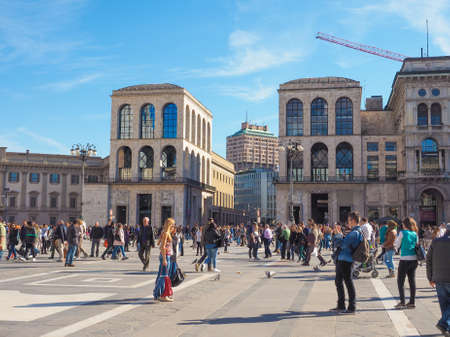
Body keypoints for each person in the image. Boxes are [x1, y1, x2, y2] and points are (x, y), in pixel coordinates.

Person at [331, 211, 363, 314]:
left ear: (353, 220)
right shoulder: (353, 232)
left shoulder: (355, 233)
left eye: (349, 220)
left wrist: (338, 235)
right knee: (338, 281)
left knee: (348, 283)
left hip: (347, 260)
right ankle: (341, 305)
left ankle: (352, 307)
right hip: (342, 259)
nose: (348, 222)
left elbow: (342, 245)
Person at [426, 223, 450, 336]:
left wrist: (430, 277)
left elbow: (428, 259)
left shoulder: (436, 241)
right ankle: (443, 323)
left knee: (444, 305)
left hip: (438, 278)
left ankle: (446, 327)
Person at [394, 217, 419, 309]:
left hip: (404, 259)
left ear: (405, 224)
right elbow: (417, 244)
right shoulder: (415, 234)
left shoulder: (402, 233)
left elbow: (396, 244)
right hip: (414, 259)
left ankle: (402, 301)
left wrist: (396, 248)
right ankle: (412, 302)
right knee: (412, 280)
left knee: (400, 281)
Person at [153, 218, 175, 302]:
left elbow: (158, 243)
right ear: (170, 225)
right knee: (164, 276)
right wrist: (165, 259)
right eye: (173, 225)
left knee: (161, 275)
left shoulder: (164, 233)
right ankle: (162, 295)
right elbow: (162, 246)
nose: (174, 226)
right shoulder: (166, 233)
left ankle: (157, 294)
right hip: (165, 256)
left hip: (164, 255)